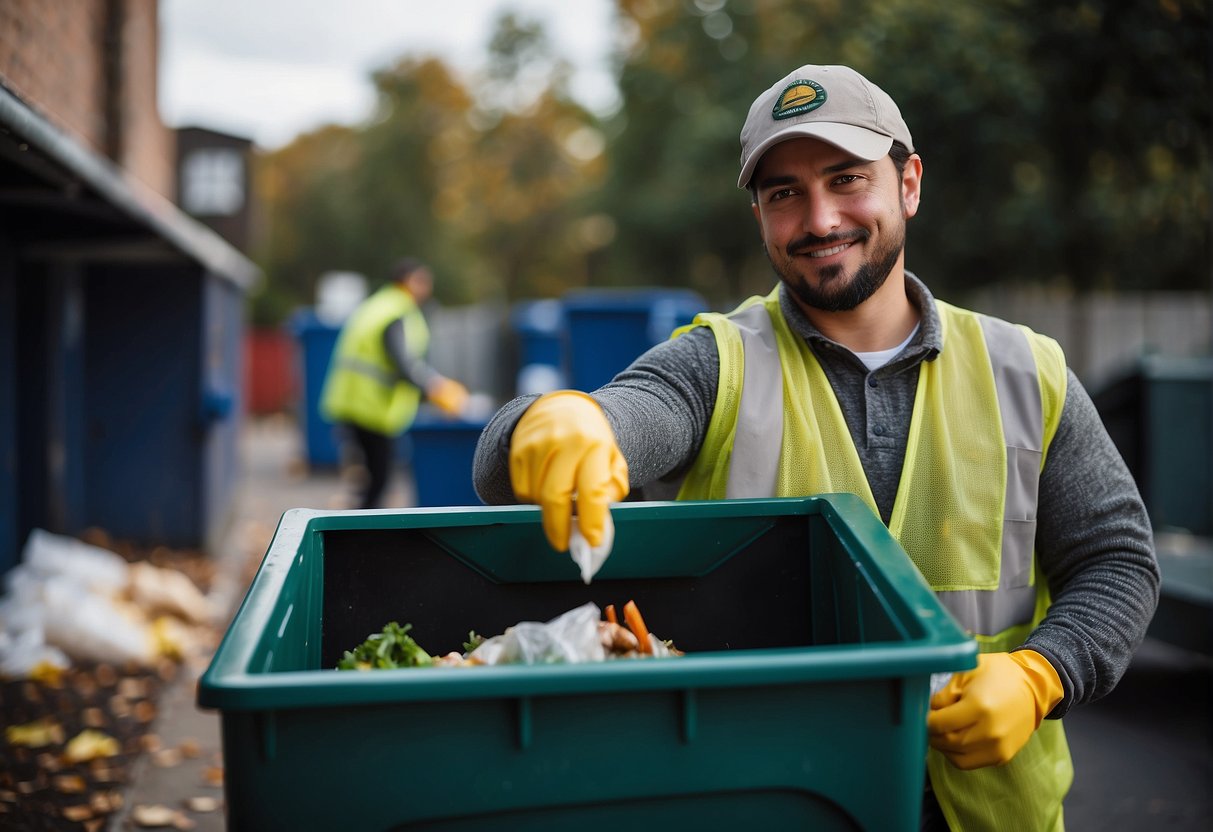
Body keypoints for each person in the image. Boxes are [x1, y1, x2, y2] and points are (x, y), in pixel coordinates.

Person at [472, 64, 1159, 829]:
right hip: (768, 797)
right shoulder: (716, 363)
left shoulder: (1025, 371)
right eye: (783, 194)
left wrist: (1042, 674)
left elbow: (1117, 561)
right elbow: (618, 417)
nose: (819, 217)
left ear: (909, 183)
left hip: (989, 809)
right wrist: (559, 421)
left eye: (846, 178)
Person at [321, 257, 469, 509]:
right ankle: (359, 537)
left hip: (355, 401)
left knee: (372, 478)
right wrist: (435, 387)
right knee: (380, 479)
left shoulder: (380, 304)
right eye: (423, 281)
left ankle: (357, 532)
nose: (428, 287)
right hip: (370, 406)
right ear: (409, 281)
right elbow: (403, 361)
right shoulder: (396, 312)